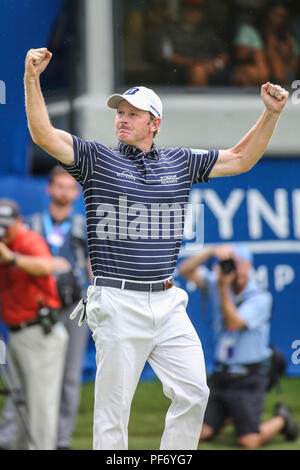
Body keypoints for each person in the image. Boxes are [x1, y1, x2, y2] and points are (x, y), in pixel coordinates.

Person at [23, 46, 288, 450]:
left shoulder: (179, 161)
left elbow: (240, 159)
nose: (122, 119)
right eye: (120, 112)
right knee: (113, 413)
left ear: (154, 123)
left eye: (133, 113)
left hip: (168, 302)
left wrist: (270, 113)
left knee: (195, 393)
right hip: (116, 299)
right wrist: (31, 79)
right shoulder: (97, 159)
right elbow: (44, 134)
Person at [0, 167, 91, 450]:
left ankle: (59, 440)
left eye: (69, 187)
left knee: (69, 377)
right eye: (59, 186)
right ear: (49, 189)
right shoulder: (31, 224)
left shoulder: (82, 227)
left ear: (76, 193)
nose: (64, 192)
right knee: (24, 377)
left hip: (75, 307)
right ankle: (10, 437)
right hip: (36, 309)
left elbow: (92, 267)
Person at [179, 244, 299, 449]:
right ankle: (229, 415)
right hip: (221, 375)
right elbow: (185, 270)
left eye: (239, 263)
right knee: (199, 433)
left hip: (248, 378)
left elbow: (234, 323)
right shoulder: (216, 283)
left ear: (249, 266)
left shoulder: (261, 297)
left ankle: (282, 419)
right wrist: (211, 252)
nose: (236, 268)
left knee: (249, 442)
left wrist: (224, 287)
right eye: (231, 263)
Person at [0, 199, 68, 450]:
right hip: (16, 334)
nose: (3, 232)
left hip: (40, 333)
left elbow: (46, 267)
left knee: (41, 407)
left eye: (6, 226)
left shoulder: (27, 241)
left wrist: (13, 259)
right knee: (18, 404)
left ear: (19, 222)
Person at [153, 0, 229, 86]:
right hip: (179, 70)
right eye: (188, 8)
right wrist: (194, 64)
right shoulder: (168, 29)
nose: (192, 12)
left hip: (210, 69)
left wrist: (215, 65)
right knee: (198, 71)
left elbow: (224, 54)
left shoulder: (208, 31)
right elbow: (164, 55)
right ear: (181, 9)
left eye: (196, 8)